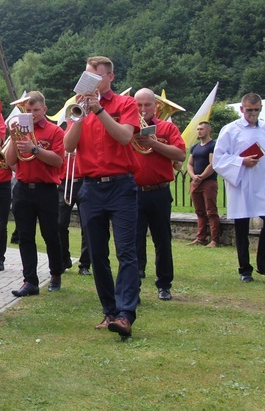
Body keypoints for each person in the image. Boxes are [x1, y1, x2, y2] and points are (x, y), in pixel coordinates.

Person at [63, 56, 141, 339]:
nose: (91, 83)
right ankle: (109, 311)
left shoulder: (126, 104)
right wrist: (81, 115)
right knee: (97, 253)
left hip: (121, 185)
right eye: (87, 77)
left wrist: (99, 110)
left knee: (126, 252)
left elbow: (124, 137)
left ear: (110, 78)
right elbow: (68, 147)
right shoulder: (77, 109)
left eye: (96, 78)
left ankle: (125, 314)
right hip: (91, 187)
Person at [213, 93, 265, 282]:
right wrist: (241, 161)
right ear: (241, 109)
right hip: (242, 183)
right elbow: (219, 160)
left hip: (263, 182)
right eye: (249, 110)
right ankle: (245, 268)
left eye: (256, 110)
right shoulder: (230, 130)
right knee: (242, 226)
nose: (253, 113)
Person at [5, 91, 65, 296]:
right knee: (25, 236)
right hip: (23, 188)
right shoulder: (19, 130)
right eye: (28, 110)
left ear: (45, 110)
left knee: (50, 235)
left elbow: (58, 161)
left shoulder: (55, 131)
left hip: (46, 190)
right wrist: (15, 137)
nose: (31, 114)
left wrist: (34, 149)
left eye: (36, 110)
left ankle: (56, 273)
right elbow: (9, 160)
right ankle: (30, 281)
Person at [132, 88, 187, 301]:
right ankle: (134, 284)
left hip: (159, 192)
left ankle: (164, 284)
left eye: (147, 105)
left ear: (156, 106)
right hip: (134, 192)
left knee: (162, 240)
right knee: (134, 241)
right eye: (139, 105)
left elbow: (180, 154)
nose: (143, 109)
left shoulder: (167, 127)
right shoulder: (128, 128)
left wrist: (153, 143)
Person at [58, 144, 91, 276]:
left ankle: (85, 264)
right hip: (65, 182)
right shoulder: (63, 135)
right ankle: (64, 259)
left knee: (87, 225)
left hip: (85, 181)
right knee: (60, 224)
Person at [186, 121, 220, 247]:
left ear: (208, 130)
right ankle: (200, 238)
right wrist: (193, 176)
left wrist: (201, 177)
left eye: (202, 129)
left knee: (211, 211)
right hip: (196, 182)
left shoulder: (213, 145)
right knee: (199, 211)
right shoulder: (195, 147)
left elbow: (213, 164)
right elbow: (190, 163)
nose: (199, 131)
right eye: (198, 129)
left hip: (209, 181)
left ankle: (214, 239)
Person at [0, 112, 12, 272]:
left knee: (1, 225)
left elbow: (14, 167)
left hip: (3, 186)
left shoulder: (7, 144)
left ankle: (0, 258)